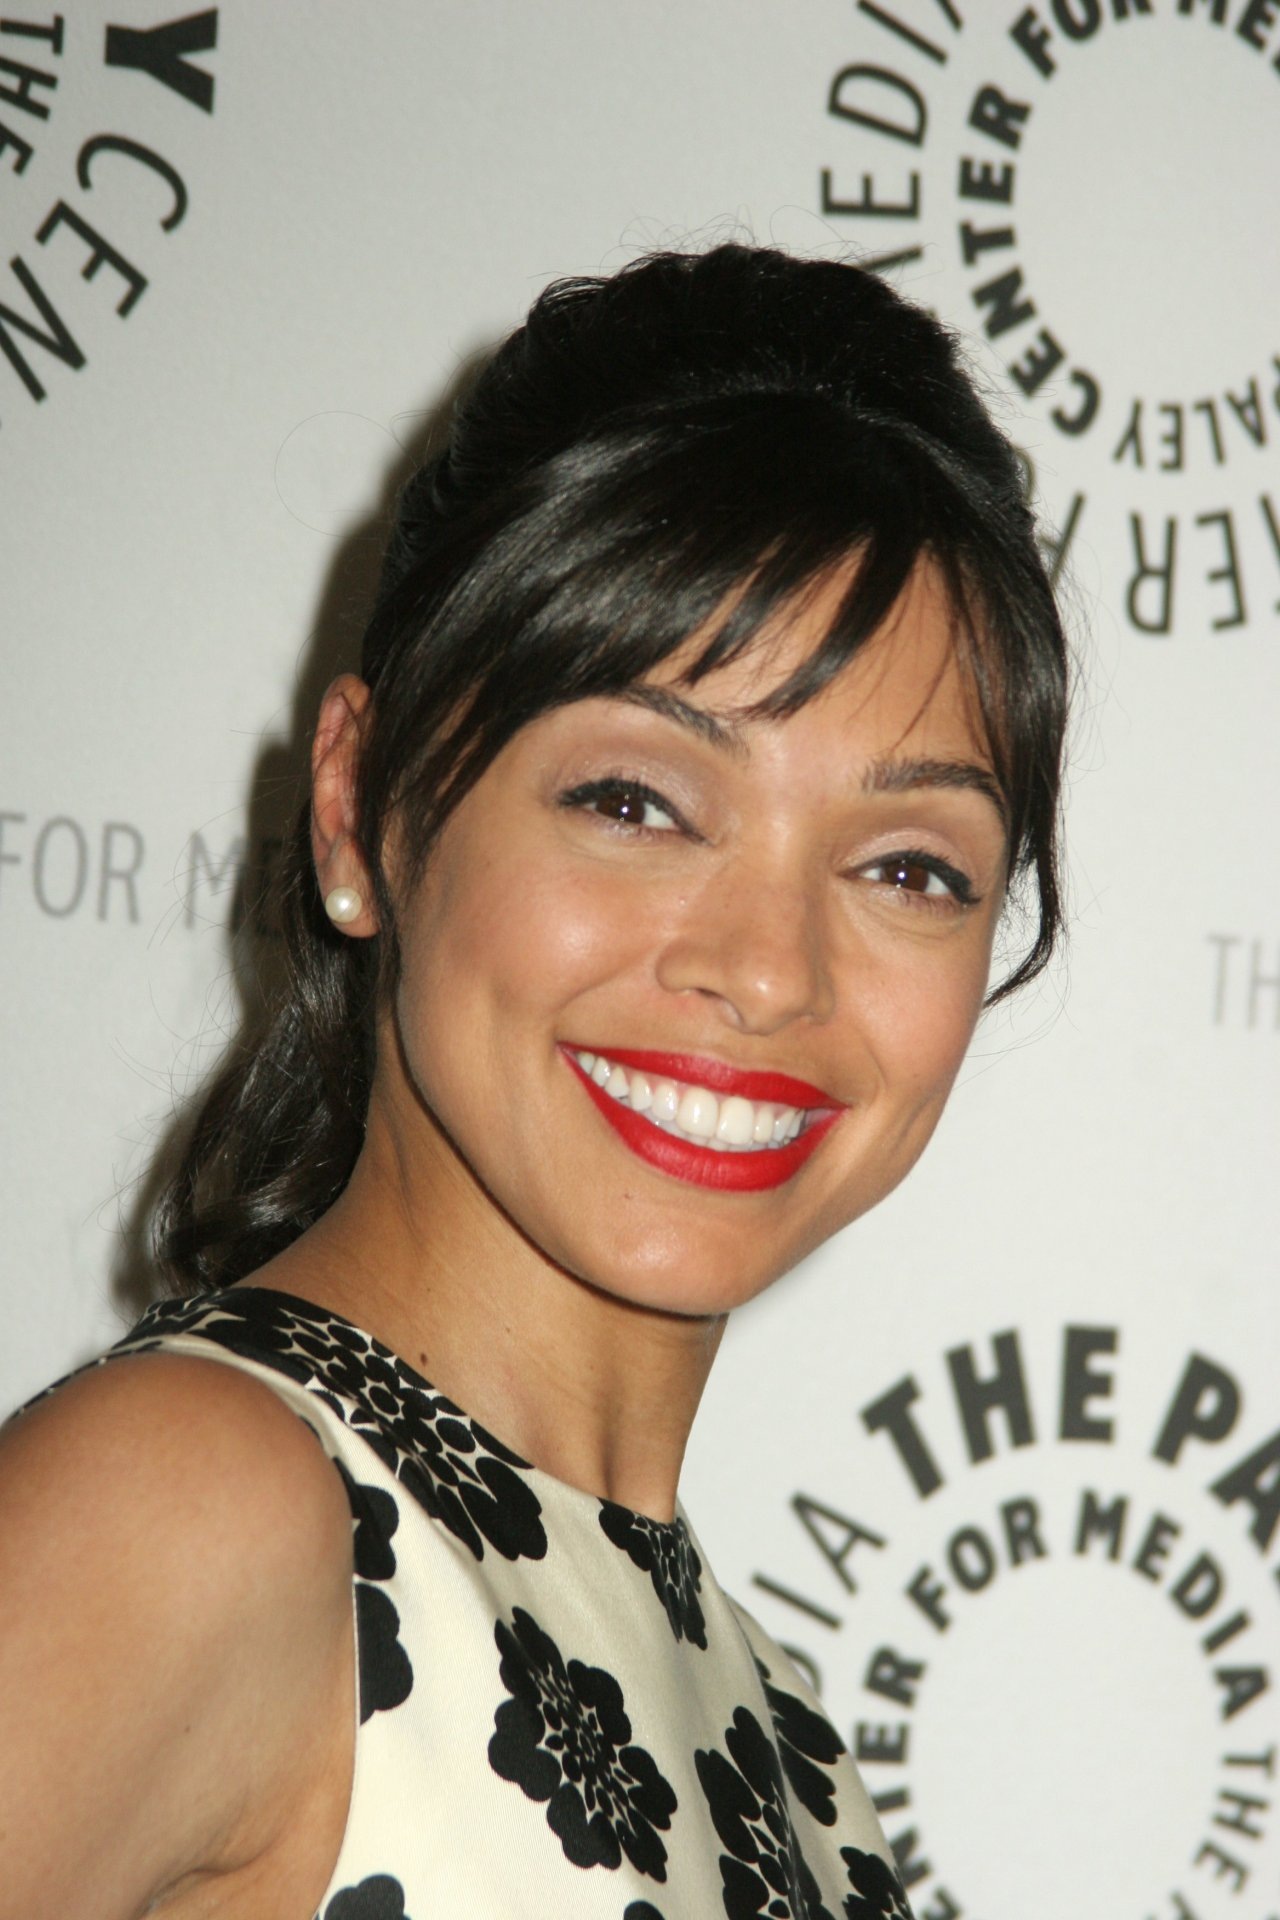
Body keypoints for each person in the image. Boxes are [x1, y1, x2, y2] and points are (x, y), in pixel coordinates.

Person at [0, 244, 1066, 1919]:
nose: (769, 970)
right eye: (636, 802)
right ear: (361, 807)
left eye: (909, 867)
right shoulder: (199, 1509)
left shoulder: (789, 1738)